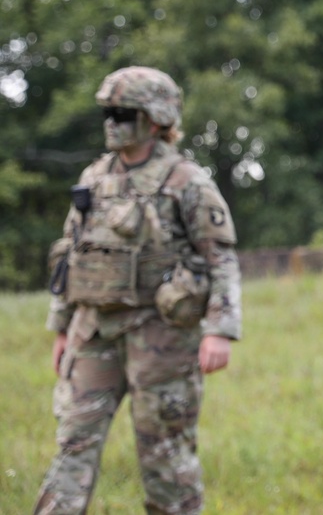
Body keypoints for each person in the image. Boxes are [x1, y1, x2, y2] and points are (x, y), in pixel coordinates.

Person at [35, 66, 243, 515]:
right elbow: (71, 254)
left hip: (161, 334)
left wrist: (219, 330)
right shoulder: (93, 178)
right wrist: (61, 327)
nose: (112, 122)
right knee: (73, 444)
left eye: (123, 112)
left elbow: (220, 257)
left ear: (155, 118)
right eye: (108, 112)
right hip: (94, 331)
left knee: (164, 453)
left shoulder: (186, 181)